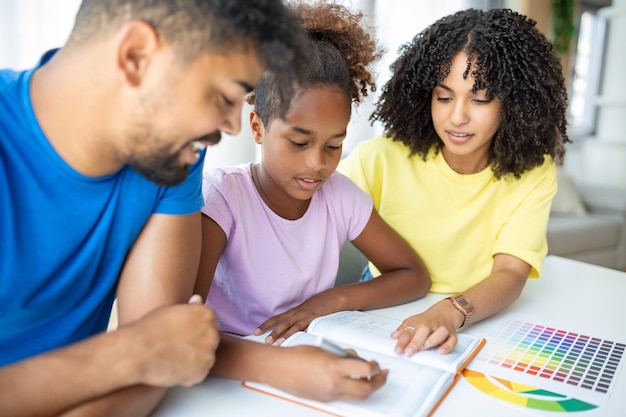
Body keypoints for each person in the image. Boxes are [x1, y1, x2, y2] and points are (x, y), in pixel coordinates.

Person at [0, 0, 369, 416]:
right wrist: (129, 353)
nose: (232, 126)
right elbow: (150, 351)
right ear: (137, 55)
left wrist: (144, 354)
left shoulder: (174, 155)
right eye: (222, 95)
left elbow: (166, 357)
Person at [194, 1, 431, 346]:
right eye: (299, 142)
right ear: (258, 128)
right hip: (229, 367)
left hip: (309, 355)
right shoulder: (222, 198)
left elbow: (413, 275)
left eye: (333, 146)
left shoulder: (340, 196)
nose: (317, 163)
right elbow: (186, 324)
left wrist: (330, 301)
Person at [339, 8, 569, 357]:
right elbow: (309, 215)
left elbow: (510, 272)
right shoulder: (379, 157)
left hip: (476, 310)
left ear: (514, 103)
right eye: (444, 97)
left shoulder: (533, 173)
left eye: (479, 99)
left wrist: (450, 312)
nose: (457, 116)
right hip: (383, 299)